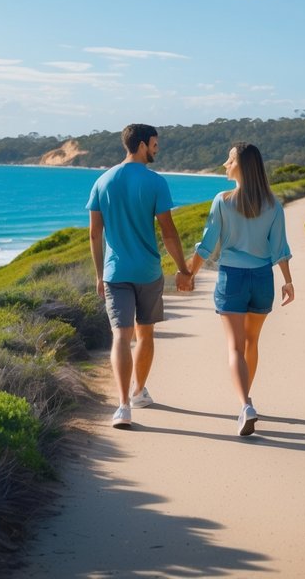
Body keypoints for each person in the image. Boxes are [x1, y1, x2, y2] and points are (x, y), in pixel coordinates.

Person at [87, 123, 193, 429]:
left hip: (114, 272)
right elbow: (169, 233)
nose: (157, 149)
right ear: (143, 144)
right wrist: (184, 269)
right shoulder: (155, 182)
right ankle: (138, 393)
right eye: (155, 144)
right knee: (145, 334)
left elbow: (95, 235)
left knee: (121, 335)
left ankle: (122, 407)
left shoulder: (102, 181)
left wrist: (98, 274)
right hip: (147, 271)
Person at [185, 142, 295, 436]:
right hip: (261, 278)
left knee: (234, 346)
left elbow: (208, 245)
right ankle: (245, 401)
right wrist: (288, 281)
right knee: (251, 343)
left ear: (241, 165)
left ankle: (245, 404)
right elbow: (280, 248)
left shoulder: (222, 200)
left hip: (232, 277)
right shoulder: (273, 205)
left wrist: (189, 273)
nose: (225, 164)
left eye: (229, 159)